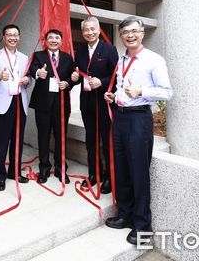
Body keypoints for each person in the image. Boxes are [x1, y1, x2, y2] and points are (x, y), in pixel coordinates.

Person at [103, 16, 172, 245]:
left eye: (134, 31)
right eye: (125, 33)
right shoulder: (122, 59)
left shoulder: (154, 60)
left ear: (142, 33)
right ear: (121, 36)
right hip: (120, 119)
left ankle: (143, 226)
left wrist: (141, 90)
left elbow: (166, 92)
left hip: (139, 121)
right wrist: (114, 96)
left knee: (139, 173)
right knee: (121, 170)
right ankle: (125, 214)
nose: (129, 36)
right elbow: (123, 87)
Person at [71, 16, 118, 194]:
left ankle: (108, 176)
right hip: (87, 103)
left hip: (104, 103)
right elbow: (78, 75)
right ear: (82, 32)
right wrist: (73, 79)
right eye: (86, 30)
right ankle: (94, 173)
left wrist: (103, 82)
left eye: (92, 29)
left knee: (107, 141)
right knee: (91, 140)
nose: (89, 32)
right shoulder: (80, 51)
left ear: (99, 30)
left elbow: (116, 75)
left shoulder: (109, 49)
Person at [0, 24, 32, 191]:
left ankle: (14, 172)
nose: (13, 37)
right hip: (4, 103)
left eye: (16, 35)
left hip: (20, 101)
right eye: (9, 35)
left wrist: (27, 80)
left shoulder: (24, 57)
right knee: (1, 142)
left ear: (19, 37)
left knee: (18, 141)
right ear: (4, 37)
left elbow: (27, 76)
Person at [28, 29, 74, 184]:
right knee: (43, 137)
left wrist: (68, 82)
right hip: (43, 104)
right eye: (51, 38)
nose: (54, 40)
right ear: (45, 41)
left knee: (61, 137)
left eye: (57, 38)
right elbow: (31, 69)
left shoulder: (68, 58)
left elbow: (74, 77)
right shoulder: (38, 56)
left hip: (61, 104)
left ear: (61, 41)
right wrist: (37, 72)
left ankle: (61, 169)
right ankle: (44, 168)